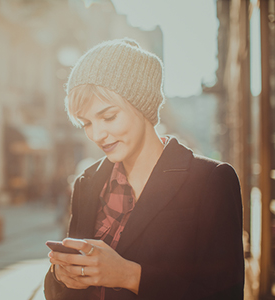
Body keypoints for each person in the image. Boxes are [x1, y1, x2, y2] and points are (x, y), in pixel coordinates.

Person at [44, 38, 244, 300]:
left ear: (142, 104)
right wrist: (61, 276)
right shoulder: (88, 181)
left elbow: (224, 293)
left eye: (108, 117)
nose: (97, 134)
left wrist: (130, 276)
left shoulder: (211, 181)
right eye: (86, 123)